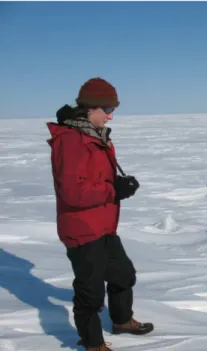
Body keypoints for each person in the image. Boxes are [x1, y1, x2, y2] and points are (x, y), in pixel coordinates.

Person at [46, 77, 153, 351]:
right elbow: (72, 192)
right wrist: (113, 191)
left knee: (123, 275)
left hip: (103, 225)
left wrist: (120, 186)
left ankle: (121, 321)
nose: (110, 114)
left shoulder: (95, 136)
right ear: (88, 107)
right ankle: (93, 343)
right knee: (90, 293)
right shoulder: (70, 141)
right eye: (106, 107)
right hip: (82, 228)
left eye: (112, 108)